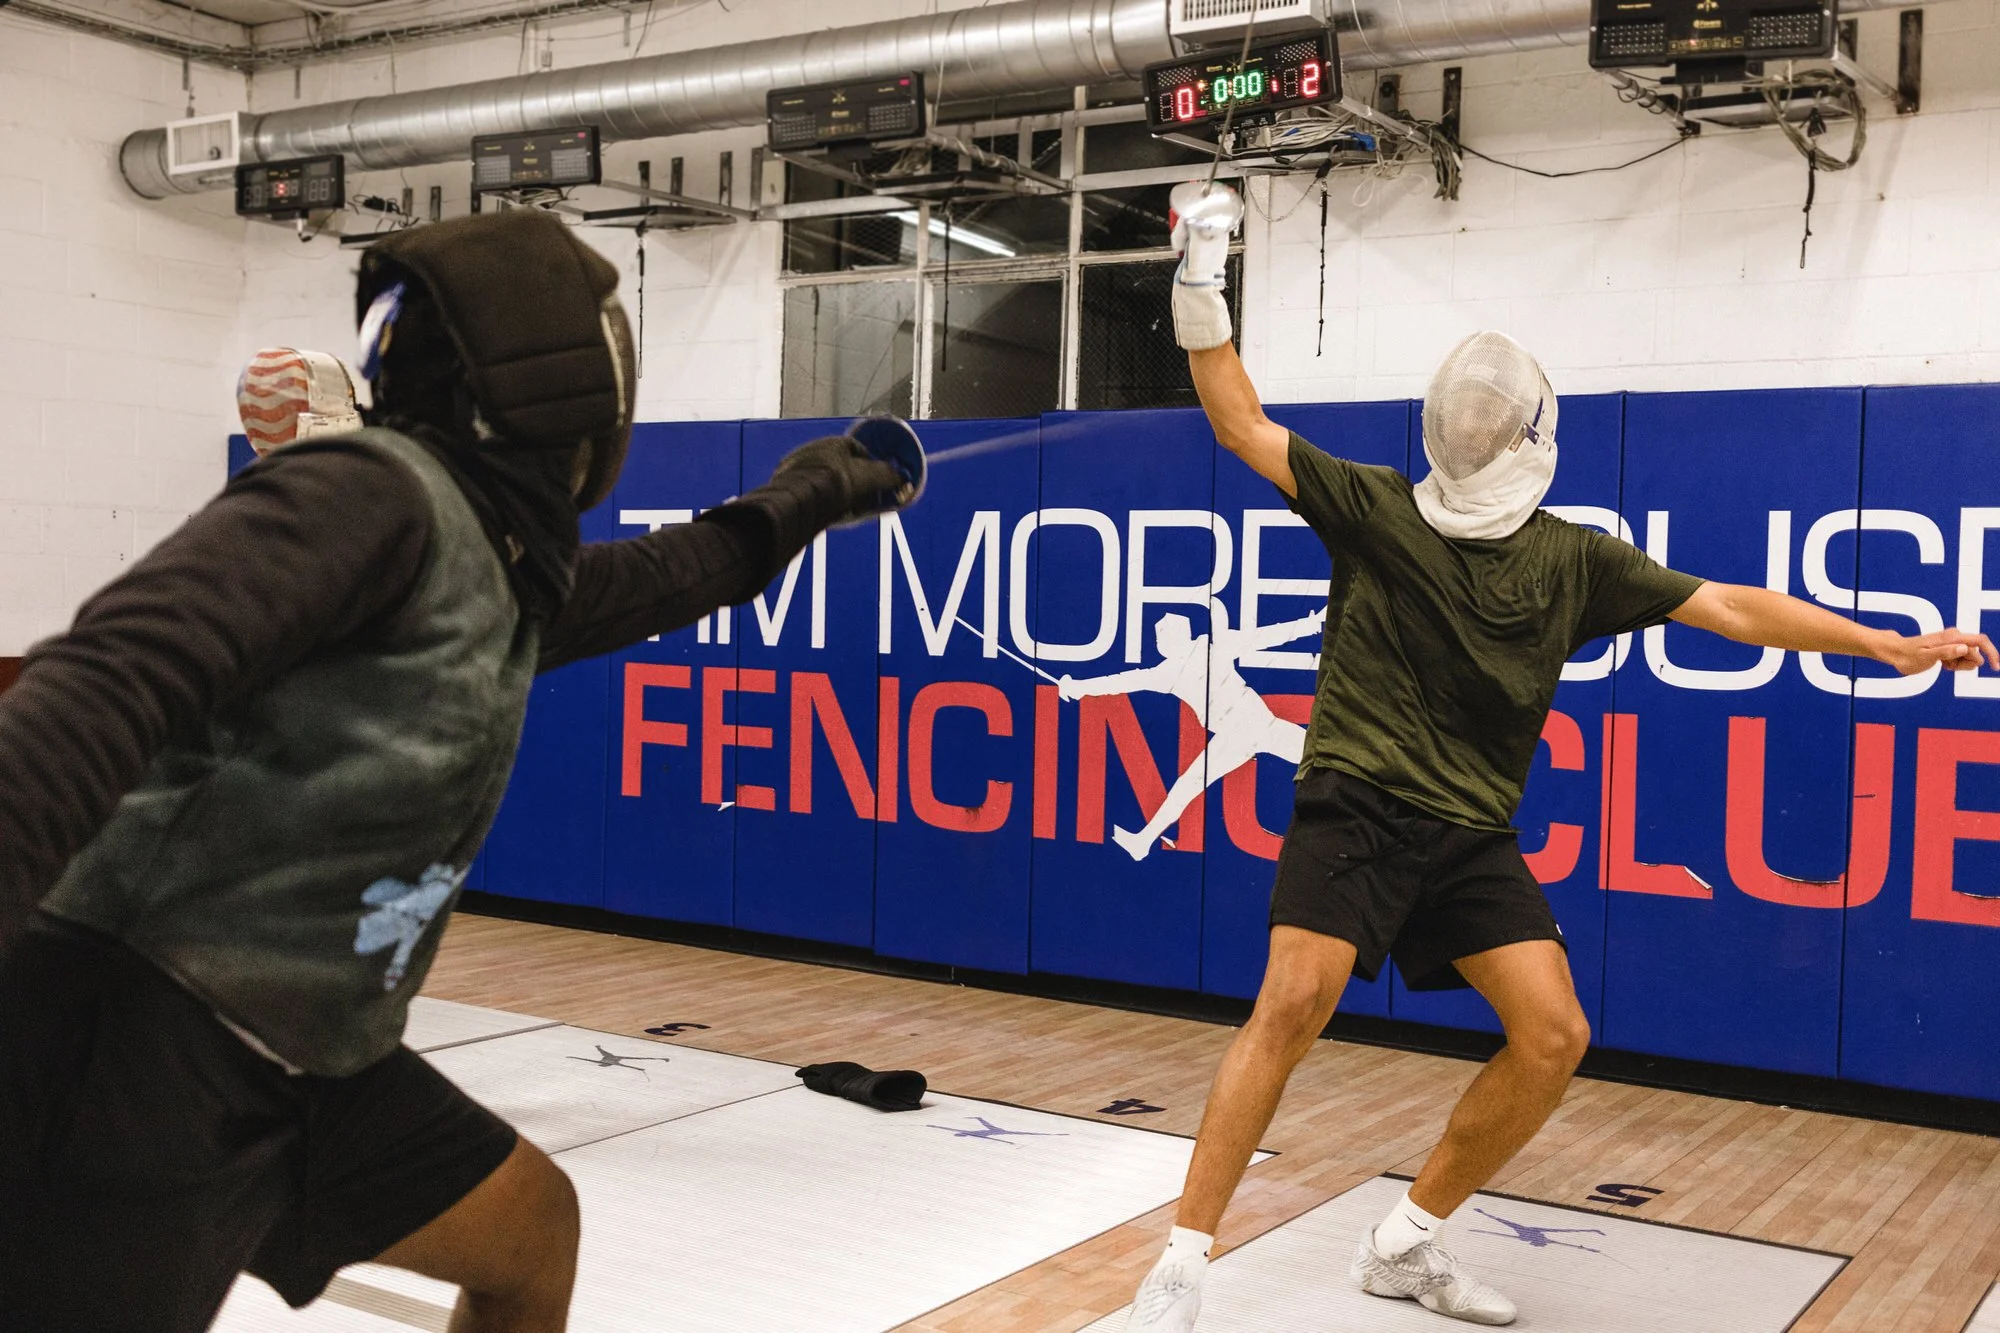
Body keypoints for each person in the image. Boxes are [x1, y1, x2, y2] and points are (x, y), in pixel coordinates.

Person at [0, 208, 914, 1333]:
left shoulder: (494, 564)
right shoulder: (363, 490)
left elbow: (682, 569)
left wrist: (822, 486)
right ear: (569, 378)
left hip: (312, 1068)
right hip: (134, 1055)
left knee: (530, 1233)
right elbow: (99, 683)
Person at [1125, 181, 2000, 1330]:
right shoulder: (1375, 510)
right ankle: (1180, 1267)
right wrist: (1201, 265)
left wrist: (1879, 641)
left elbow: (1733, 609)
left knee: (1551, 1035)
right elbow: (1235, 416)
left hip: (1465, 831)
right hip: (1357, 802)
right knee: (1292, 1001)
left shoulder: (1573, 561)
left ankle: (1405, 1241)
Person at [1057, 608, 1325, 860]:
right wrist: (1079, 687)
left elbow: (1122, 681)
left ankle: (1143, 841)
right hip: (1248, 726)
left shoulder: (1196, 658)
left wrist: (1078, 687)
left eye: (1163, 636)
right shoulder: (1176, 668)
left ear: (1177, 637)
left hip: (1245, 726)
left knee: (1189, 784)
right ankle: (1143, 841)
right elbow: (1121, 681)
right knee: (1317, 754)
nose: (1160, 643)